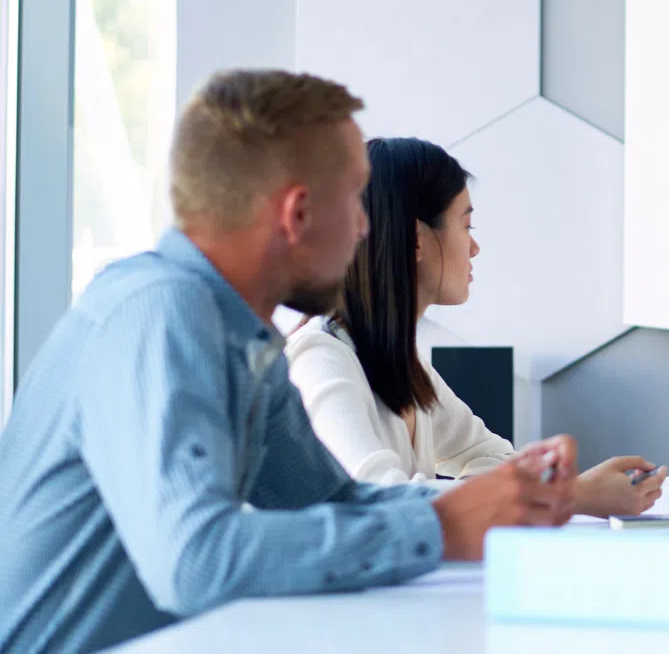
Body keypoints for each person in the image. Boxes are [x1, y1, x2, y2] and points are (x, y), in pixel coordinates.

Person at [0, 71, 579, 654]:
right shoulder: (162, 315)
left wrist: (500, 501)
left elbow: (338, 500)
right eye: (356, 198)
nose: (365, 227)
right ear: (297, 214)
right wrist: (442, 526)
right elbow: (197, 560)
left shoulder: (247, 340)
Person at [286, 137, 664, 516]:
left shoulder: (400, 362)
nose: (474, 248)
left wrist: (511, 495)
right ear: (415, 240)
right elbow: (379, 502)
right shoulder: (320, 359)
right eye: (466, 225)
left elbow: (491, 455)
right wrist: (573, 495)